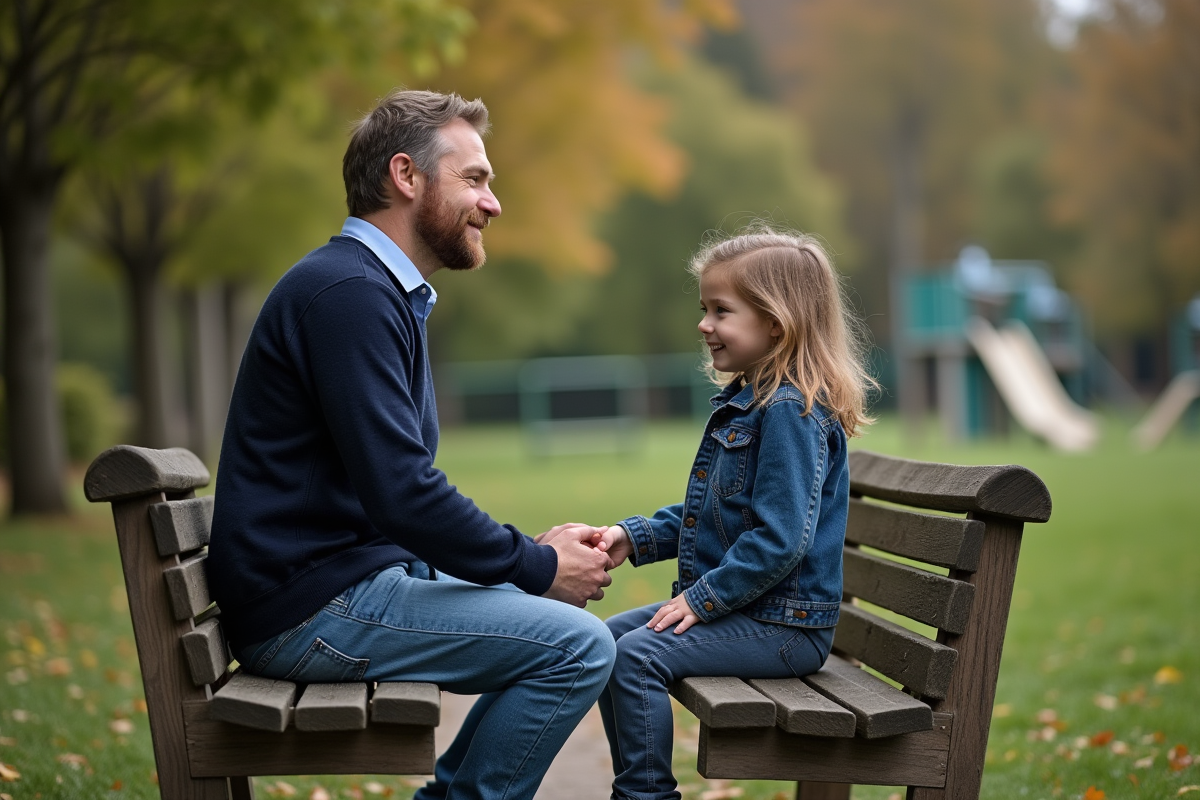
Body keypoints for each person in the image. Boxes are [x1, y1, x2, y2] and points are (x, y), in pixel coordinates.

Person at [207, 89, 617, 800]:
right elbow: (403, 490)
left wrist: (531, 556)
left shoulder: (370, 291)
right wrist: (532, 564)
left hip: (332, 584)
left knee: (560, 625)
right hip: (310, 610)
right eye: (476, 179)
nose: (493, 204)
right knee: (579, 648)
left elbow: (396, 490)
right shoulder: (348, 295)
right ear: (406, 176)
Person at [595, 229, 877, 800]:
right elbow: (717, 514)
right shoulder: (756, 402)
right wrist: (636, 537)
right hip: (761, 614)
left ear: (777, 322)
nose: (704, 325)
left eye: (721, 311)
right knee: (603, 642)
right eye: (705, 309)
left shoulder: (791, 412)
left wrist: (699, 600)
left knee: (636, 657)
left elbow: (778, 541)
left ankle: (644, 795)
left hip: (785, 627)